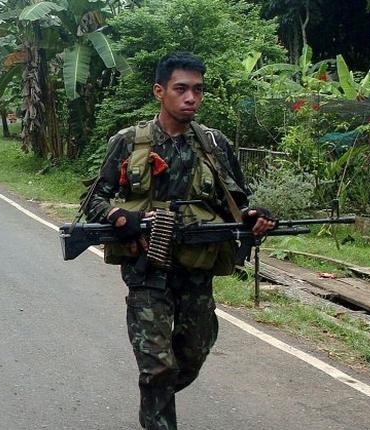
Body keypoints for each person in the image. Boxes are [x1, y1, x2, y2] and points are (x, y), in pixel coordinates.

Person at [80, 52, 275, 430]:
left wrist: (253, 216)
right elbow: (94, 200)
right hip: (146, 269)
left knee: (192, 354)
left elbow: (237, 201)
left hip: (197, 271)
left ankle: (157, 394)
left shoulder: (213, 144)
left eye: (197, 91)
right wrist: (124, 218)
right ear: (160, 91)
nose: (191, 98)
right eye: (181, 89)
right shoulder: (128, 142)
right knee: (157, 365)